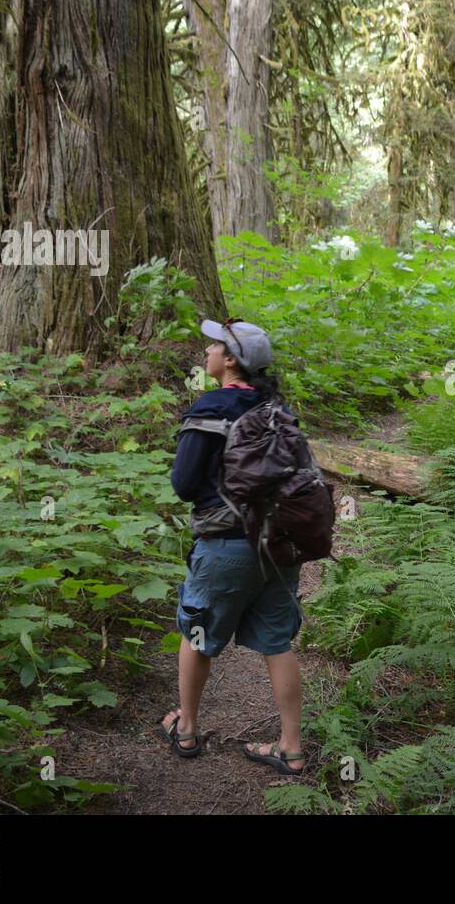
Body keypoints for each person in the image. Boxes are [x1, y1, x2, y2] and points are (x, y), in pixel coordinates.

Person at [159, 318, 307, 775]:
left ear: (230, 360)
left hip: (225, 546)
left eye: (215, 345)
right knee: (278, 642)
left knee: (198, 635)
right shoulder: (277, 410)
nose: (206, 349)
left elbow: (183, 485)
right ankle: (291, 747)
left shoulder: (211, 408)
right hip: (280, 545)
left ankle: (186, 729)